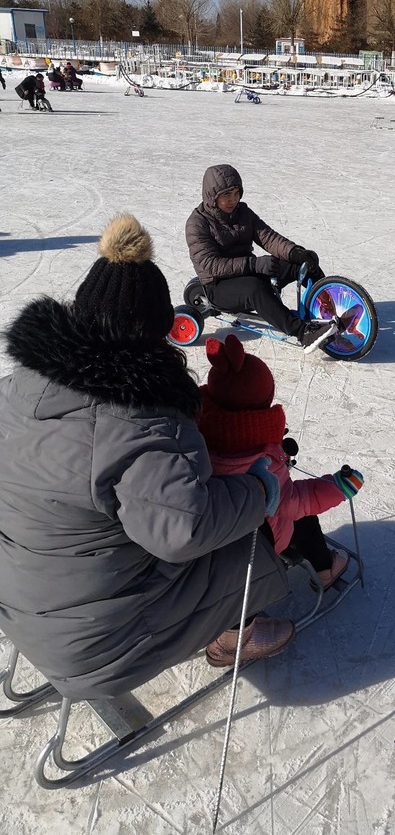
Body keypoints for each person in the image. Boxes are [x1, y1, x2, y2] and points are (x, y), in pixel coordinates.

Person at [0, 214, 296, 701]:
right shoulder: (140, 424)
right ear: (157, 334)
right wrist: (259, 488)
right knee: (246, 537)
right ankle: (234, 635)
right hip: (97, 642)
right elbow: (185, 530)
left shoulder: (15, 387)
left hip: (17, 599)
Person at [198, 334, 364, 621]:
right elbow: (297, 501)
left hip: (217, 538)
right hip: (256, 546)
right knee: (303, 518)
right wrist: (338, 486)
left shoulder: (201, 439)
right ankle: (325, 570)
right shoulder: (262, 467)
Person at [185, 163, 337, 352]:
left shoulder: (243, 213)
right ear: (212, 197)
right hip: (219, 286)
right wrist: (254, 264)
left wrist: (295, 252)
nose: (233, 200)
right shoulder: (197, 224)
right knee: (255, 288)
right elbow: (211, 265)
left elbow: (268, 237)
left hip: (250, 270)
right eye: (226, 195)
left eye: (236, 193)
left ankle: (329, 308)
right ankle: (304, 333)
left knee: (301, 265)